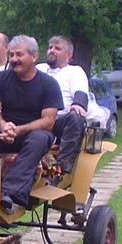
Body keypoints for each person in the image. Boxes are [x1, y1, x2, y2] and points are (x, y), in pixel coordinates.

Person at [0, 35, 64, 212]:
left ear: (34, 57)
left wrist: (18, 130)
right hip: (5, 131)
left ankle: (9, 193)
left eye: (19, 55)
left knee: (40, 138)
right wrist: (3, 125)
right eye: (11, 55)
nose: (14, 60)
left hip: (33, 133)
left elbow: (48, 121)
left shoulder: (48, 84)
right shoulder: (1, 79)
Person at [36, 36, 89, 178]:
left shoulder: (75, 71)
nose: (52, 50)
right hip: (35, 118)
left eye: (57, 48)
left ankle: (61, 170)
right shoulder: (38, 68)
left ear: (69, 55)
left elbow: (81, 92)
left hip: (59, 122)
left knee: (76, 118)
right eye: (50, 47)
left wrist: (78, 103)